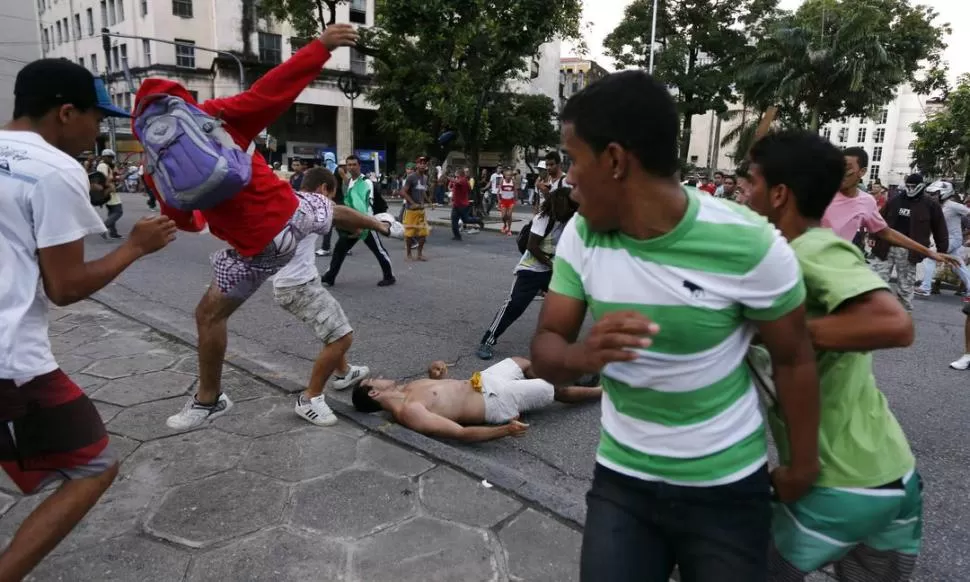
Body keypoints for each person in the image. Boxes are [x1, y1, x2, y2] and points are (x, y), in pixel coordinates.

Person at [529, 71, 821, 582]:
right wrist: (584, 356)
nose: (568, 178)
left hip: (727, 488)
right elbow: (548, 352)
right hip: (624, 484)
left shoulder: (748, 243)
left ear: (616, 160)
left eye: (574, 160)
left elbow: (794, 357)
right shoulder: (581, 236)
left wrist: (801, 464)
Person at [133, 24, 389, 431]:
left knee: (209, 316)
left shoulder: (155, 161)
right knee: (327, 207)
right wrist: (320, 48)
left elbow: (184, 217)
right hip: (292, 213)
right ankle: (380, 224)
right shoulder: (212, 116)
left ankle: (208, 400)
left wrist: (207, 219)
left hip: (258, 249)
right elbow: (272, 91)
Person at [0, 58, 176, 581]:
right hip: (12, 362)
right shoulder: (54, 170)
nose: (97, 131)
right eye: (94, 119)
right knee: (93, 466)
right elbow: (66, 286)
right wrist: (135, 248)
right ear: (65, 112)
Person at [743, 130, 922, 582]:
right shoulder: (779, 256)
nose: (741, 195)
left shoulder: (810, 247)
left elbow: (894, 324)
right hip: (892, 477)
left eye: (749, 184)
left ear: (779, 194)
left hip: (835, 484)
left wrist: (778, 332)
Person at [273, 167, 371, 426]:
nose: (330, 203)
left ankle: (344, 372)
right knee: (341, 336)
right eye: (331, 196)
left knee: (333, 327)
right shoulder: (308, 204)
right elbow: (339, 213)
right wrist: (377, 224)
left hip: (298, 282)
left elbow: (335, 221)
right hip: (297, 286)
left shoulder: (294, 203)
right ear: (322, 190)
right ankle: (310, 399)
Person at [822, 150, 958, 310]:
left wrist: (931, 252)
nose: (842, 172)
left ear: (862, 172)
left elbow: (886, 231)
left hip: (837, 272)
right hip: (805, 264)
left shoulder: (866, 201)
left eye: (848, 167)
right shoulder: (820, 191)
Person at [351, 358, 601, 442]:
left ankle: (568, 381)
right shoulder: (409, 412)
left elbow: (442, 393)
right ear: (374, 393)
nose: (380, 376)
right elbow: (460, 433)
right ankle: (603, 392)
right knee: (555, 392)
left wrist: (436, 372)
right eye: (374, 380)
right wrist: (504, 430)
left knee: (521, 362)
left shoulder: (408, 388)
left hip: (481, 382)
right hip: (493, 401)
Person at [477, 187, 576, 360]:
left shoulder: (570, 220)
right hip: (531, 269)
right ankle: (487, 341)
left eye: (571, 208)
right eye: (566, 208)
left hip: (552, 270)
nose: (568, 211)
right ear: (558, 206)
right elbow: (532, 246)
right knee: (514, 306)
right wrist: (553, 265)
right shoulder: (543, 218)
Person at [871, 173, 954, 311]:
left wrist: (941, 251)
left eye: (913, 186)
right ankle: (876, 312)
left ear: (920, 186)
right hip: (885, 248)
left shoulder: (930, 205)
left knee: (905, 287)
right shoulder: (895, 200)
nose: (910, 189)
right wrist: (873, 237)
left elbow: (940, 228)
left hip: (910, 252)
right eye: (908, 186)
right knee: (877, 283)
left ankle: (905, 315)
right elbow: (879, 219)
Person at [321, 154, 396, 287]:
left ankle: (389, 276)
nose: (351, 167)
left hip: (367, 223)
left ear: (359, 166)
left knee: (378, 250)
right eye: (349, 165)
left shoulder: (366, 182)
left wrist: (365, 224)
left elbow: (368, 205)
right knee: (340, 249)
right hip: (353, 223)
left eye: (354, 164)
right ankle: (329, 277)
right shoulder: (350, 182)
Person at [917, 181, 970, 298]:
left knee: (930, 257)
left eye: (934, 194)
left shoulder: (953, 205)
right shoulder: (934, 206)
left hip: (953, 239)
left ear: (944, 193)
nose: (931, 196)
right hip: (943, 239)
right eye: (930, 194)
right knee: (958, 265)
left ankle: (925, 288)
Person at [401, 156, 431, 261]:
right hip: (411, 210)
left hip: (421, 211)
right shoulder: (411, 177)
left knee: (423, 234)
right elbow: (403, 192)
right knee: (409, 234)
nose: (423, 164)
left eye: (424, 163)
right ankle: (409, 254)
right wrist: (413, 203)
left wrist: (430, 202)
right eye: (420, 163)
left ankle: (419, 254)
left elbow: (422, 191)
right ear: (417, 165)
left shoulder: (425, 178)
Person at [96, 148, 123, 240]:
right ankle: (103, 228)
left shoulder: (105, 166)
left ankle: (113, 232)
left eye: (112, 157)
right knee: (118, 211)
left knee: (112, 212)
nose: (111, 159)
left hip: (109, 190)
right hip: (108, 191)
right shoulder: (103, 166)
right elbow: (103, 179)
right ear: (104, 157)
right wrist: (115, 179)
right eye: (110, 157)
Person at [450, 168, 484, 240]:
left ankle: (478, 220)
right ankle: (478, 220)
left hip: (461, 205)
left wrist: (450, 179)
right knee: (462, 220)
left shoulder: (462, 180)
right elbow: (468, 189)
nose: (455, 176)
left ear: (459, 174)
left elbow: (458, 183)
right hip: (459, 204)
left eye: (456, 174)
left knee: (460, 220)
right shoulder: (465, 180)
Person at [497, 169, 518, 235]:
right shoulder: (502, 181)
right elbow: (498, 192)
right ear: (505, 176)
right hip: (503, 200)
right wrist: (499, 200)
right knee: (503, 216)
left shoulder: (513, 181)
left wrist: (515, 200)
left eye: (510, 175)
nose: (508, 176)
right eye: (507, 175)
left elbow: (515, 191)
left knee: (509, 215)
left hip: (511, 201)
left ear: (511, 176)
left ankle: (509, 229)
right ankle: (504, 225)